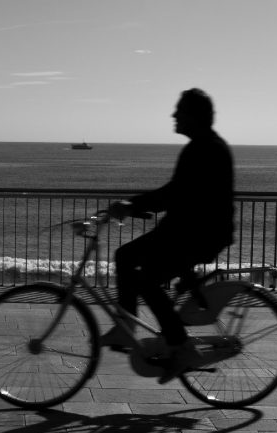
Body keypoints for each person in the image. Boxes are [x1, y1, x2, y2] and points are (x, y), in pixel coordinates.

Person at [102, 88, 235, 384]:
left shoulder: (205, 149)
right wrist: (136, 207)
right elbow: (178, 195)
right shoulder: (204, 146)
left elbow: (175, 194)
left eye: (180, 110)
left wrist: (132, 205)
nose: (174, 115)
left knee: (143, 274)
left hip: (199, 236)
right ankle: (131, 328)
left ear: (194, 116)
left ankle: (179, 345)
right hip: (188, 231)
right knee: (130, 260)